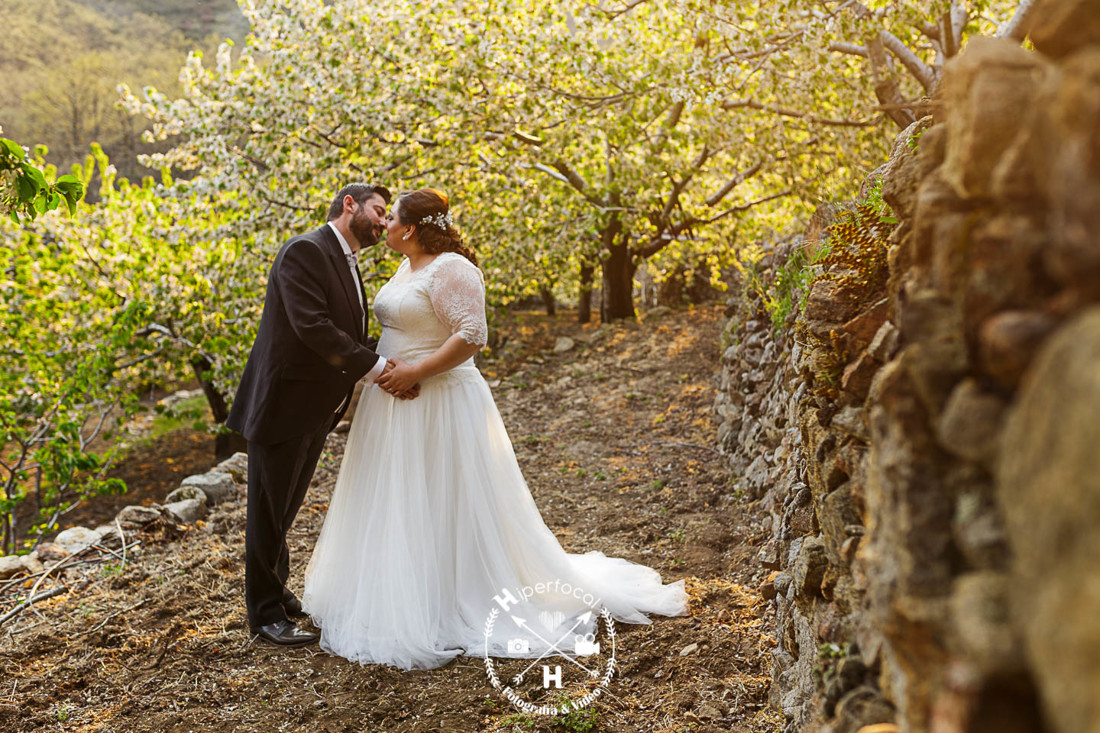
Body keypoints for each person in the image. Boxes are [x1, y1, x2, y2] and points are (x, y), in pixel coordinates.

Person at [302, 188, 688, 669]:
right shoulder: (406, 267)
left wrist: (415, 373)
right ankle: (405, 587)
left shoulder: (453, 268)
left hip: (438, 399)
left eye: (392, 216)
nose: (385, 225)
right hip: (393, 401)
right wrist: (384, 371)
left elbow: (471, 335)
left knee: (446, 496)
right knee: (400, 497)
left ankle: (454, 596)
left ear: (413, 227)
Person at [226, 183, 417, 647]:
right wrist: (377, 369)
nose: (382, 222)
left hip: (314, 408)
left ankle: (278, 592)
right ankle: (266, 615)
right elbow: (312, 326)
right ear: (348, 204)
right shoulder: (305, 251)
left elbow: (347, 330)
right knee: (268, 513)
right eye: (377, 211)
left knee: (284, 509)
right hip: (282, 405)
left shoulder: (347, 261)